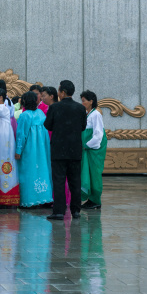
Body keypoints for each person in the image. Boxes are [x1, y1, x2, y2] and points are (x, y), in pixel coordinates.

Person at [44, 80, 87, 220]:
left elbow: (48, 125)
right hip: (75, 150)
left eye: (58, 90)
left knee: (59, 181)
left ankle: (58, 211)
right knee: (75, 181)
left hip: (58, 150)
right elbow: (83, 126)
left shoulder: (55, 107)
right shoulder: (80, 108)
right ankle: (76, 210)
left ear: (62, 92)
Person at [15, 92, 53, 208]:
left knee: (27, 172)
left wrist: (18, 151)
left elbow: (21, 135)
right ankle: (43, 198)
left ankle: (28, 200)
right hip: (41, 149)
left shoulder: (25, 115)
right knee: (42, 170)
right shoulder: (41, 113)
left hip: (29, 149)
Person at [42, 85, 71, 206]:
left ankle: (60, 199)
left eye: (44, 96)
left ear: (51, 96)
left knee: (58, 172)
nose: (42, 98)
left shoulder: (54, 109)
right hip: (52, 141)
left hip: (55, 141)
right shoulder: (50, 108)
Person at [80, 90, 107, 210]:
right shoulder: (88, 114)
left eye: (84, 101)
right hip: (88, 149)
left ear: (91, 101)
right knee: (88, 173)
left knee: (94, 173)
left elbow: (98, 134)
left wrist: (87, 145)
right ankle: (91, 199)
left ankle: (95, 200)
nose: (82, 103)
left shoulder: (96, 114)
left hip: (93, 150)